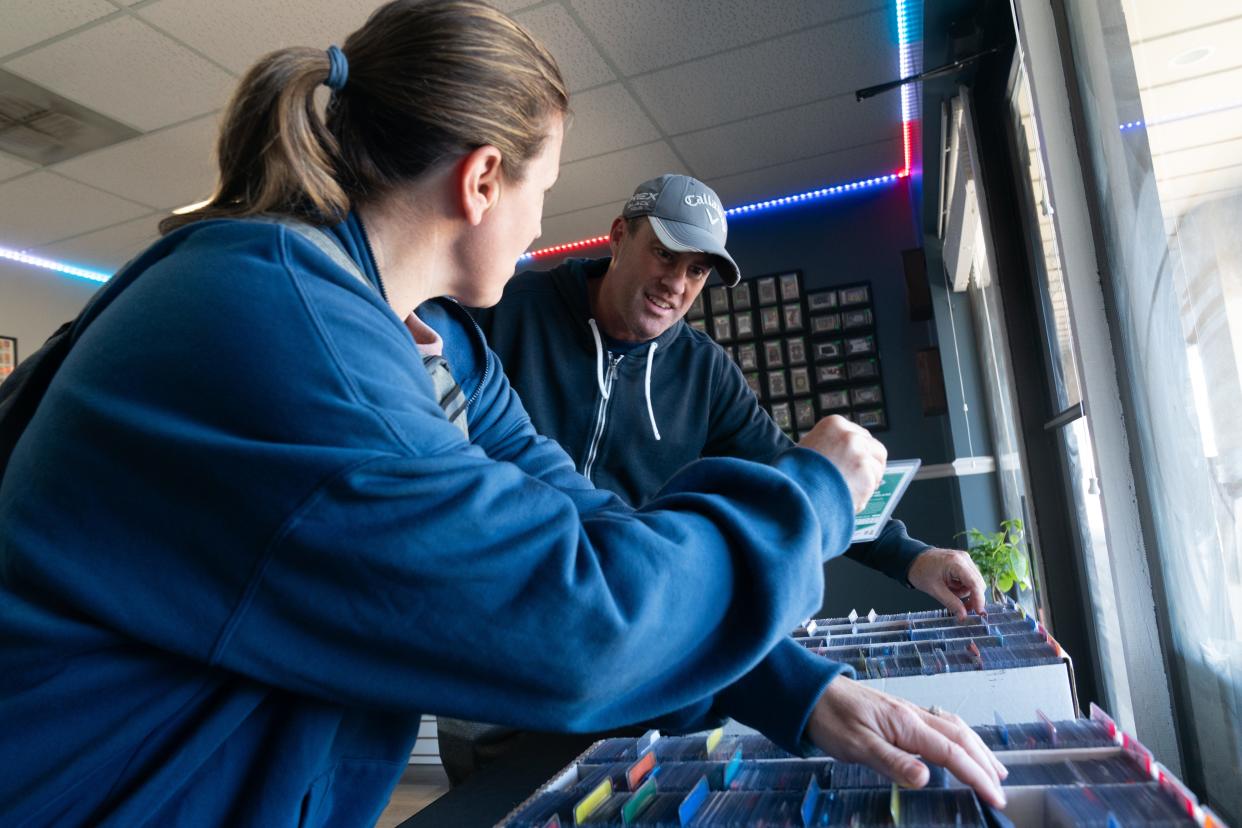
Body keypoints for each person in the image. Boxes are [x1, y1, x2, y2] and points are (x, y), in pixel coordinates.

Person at [0, 2, 1004, 826]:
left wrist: (792, 686)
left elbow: (578, 518)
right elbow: (575, 622)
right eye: (545, 191)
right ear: (483, 180)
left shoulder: (432, 337)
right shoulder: (280, 330)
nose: (539, 228)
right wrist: (815, 494)